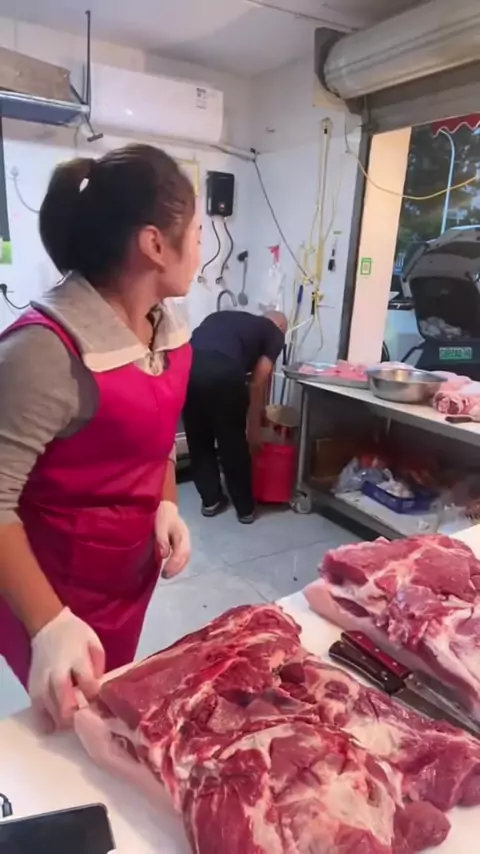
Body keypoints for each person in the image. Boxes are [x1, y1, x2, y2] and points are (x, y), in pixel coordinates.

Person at [0, 143, 201, 730]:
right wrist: (48, 623)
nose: (201, 248)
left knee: (108, 708)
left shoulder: (165, 331)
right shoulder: (43, 351)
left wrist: (166, 500)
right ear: (155, 244)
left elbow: (155, 438)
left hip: (125, 580)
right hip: (48, 586)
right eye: (196, 232)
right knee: (70, 736)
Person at [184, 309, 287, 524]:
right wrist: (254, 427)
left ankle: (211, 500)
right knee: (232, 442)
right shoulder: (274, 332)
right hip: (224, 372)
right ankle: (244, 508)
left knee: (199, 439)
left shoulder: (222, 317)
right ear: (280, 326)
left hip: (187, 368)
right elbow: (258, 380)